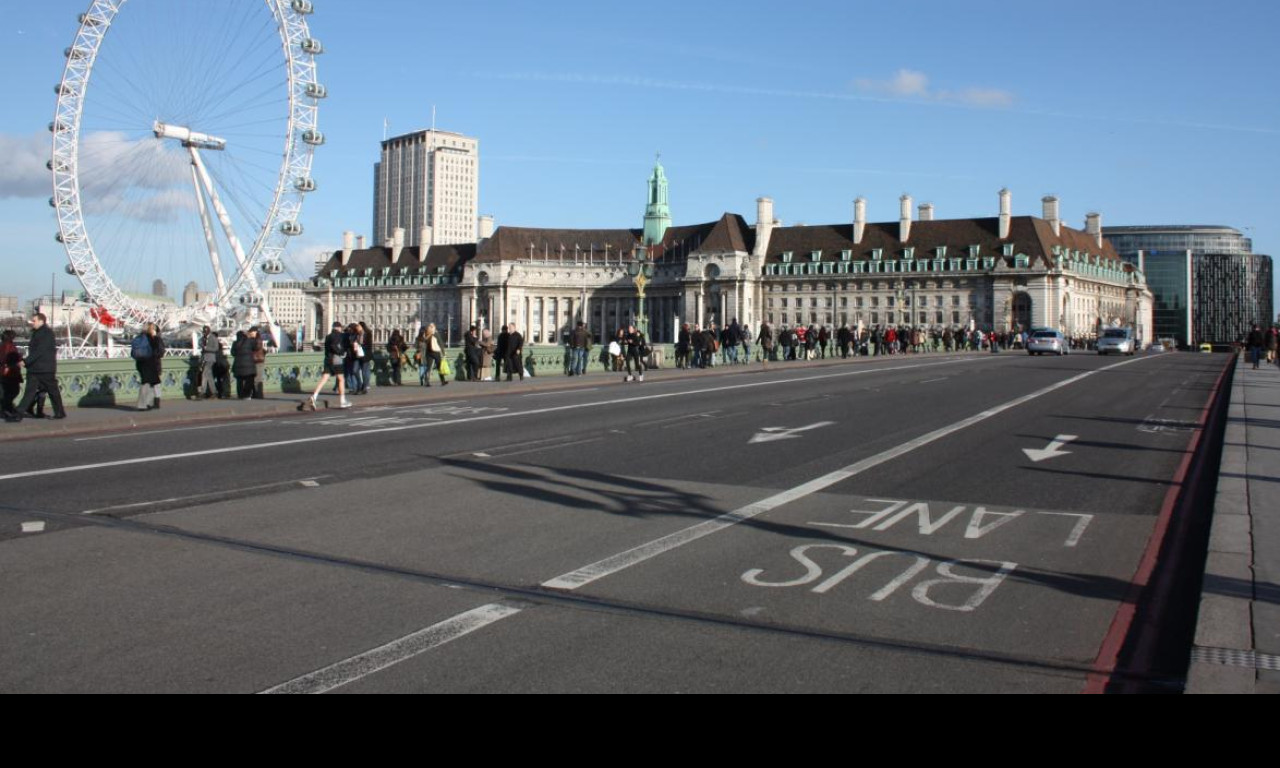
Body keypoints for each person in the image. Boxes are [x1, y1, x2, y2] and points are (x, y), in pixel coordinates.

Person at [6, 313, 66, 422]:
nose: (32, 323)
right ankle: (19, 414)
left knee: (52, 391)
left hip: (44, 369)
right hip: (37, 368)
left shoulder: (46, 333)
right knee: (31, 392)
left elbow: (39, 351)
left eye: (34, 321)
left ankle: (60, 412)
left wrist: (25, 361)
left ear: (41, 321)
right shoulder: (39, 333)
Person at [300, 321, 351, 411]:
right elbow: (335, 346)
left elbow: (329, 347)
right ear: (339, 327)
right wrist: (341, 352)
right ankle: (342, 401)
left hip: (327, 360)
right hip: (336, 360)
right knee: (341, 379)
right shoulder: (339, 335)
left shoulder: (328, 336)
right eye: (340, 328)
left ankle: (314, 396)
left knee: (324, 379)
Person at [133, 322, 165, 410]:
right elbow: (158, 351)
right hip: (150, 363)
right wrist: (156, 337)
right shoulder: (151, 338)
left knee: (148, 382)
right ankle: (143, 404)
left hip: (140, 363)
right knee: (147, 383)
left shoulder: (139, 337)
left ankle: (147, 403)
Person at [1, 330, 23, 417]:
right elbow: (9, 358)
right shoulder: (9, 346)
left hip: (5, 372)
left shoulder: (2, 345)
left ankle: (7, 408)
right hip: (10, 372)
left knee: (7, 392)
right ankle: (6, 408)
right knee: (14, 391)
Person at [231, 330, 256, 399]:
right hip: (249, 365)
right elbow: (255, 347)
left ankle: (240, 395)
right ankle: (247, 395)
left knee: (239, 381)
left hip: (238, 365)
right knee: (249, 380)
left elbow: (232, 353)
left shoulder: (235, 343)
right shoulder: (249, 341)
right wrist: (251, 337)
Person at [198, 326, 220, 399]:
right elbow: (200, 343)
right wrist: (202, 344)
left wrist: (206, 348)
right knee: (209, 376)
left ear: (209, 331)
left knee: (204, 374)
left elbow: (216, 348)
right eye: (204, 332)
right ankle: (214, 392)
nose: (204, 333)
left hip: (210, 358)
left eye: (205, 332)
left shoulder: (213, 338)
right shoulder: (203, 338)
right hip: (204, 358)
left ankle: (203, 392)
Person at [249, 326, 266, 399]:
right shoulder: (256, 339)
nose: (250, 333)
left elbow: (256, 347)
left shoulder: (258, 339)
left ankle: (259, 394)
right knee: (255, 378)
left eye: (251, 332)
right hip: (256, 360)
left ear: (255, 332)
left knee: (257, 379)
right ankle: (256, 394)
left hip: (258, 360)